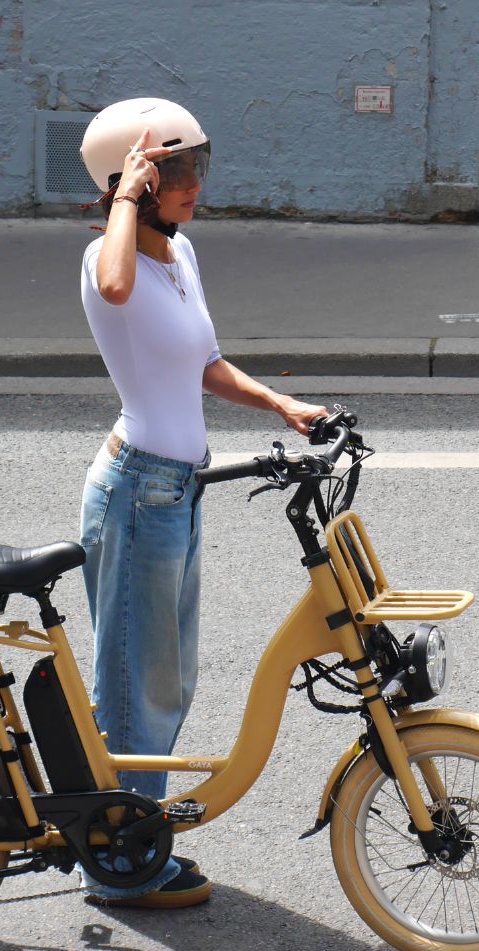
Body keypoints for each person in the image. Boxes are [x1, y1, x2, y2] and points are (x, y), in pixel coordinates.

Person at [77, 97, 326, 908]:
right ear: (133, 180)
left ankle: (131, 832)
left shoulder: (182, 258)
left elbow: (206, 363)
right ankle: (117, 861)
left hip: (177, 489)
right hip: (138, 491)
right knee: (133, 682)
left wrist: (281, 406)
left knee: (168, 676)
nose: (193, 184)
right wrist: (123, 201)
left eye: (196, 166)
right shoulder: (105, 264)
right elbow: (116, 286)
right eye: (174, 169)